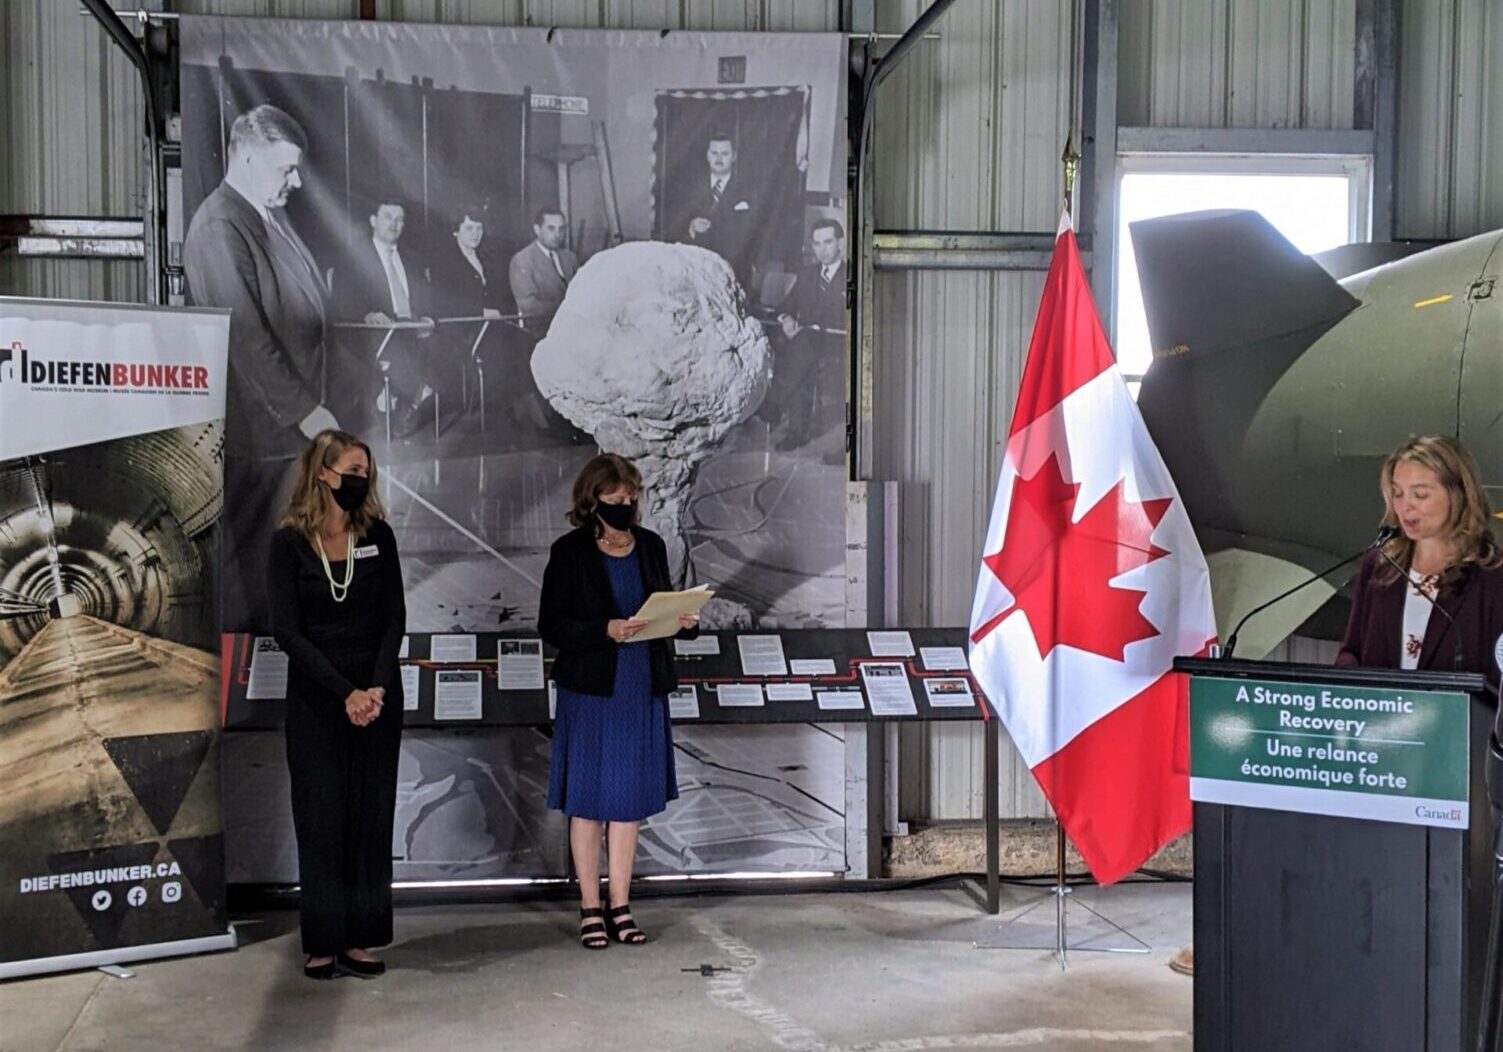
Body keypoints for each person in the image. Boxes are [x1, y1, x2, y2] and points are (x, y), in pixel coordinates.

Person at [183, 103, 337, 632]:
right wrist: (307, 411)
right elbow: (247, 339)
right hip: (258, 438)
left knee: (285, 573)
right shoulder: (220, 227)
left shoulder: (265, 216)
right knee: (255, 576)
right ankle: (247, 694)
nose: (295, 181)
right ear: (247, 159)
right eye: (285, 169)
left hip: (285, 438)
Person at [538, 454, 699, 949]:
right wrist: (603, 630)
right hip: (590, 690)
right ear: (592, 499)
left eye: (632, 496)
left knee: (627, 805)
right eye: (616, 497)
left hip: (639, 685)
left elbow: (662, 604)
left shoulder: (650, 545)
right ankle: (590, 908)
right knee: (588, 803)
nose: (626, 504)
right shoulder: (568, 552)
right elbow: (551, 625)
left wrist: (685, 621)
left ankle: (621, 906)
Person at [267, 429, 406, 980]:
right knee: (321, 820)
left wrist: (371, 689)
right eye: (351, 469)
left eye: (365, 470)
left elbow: (393, 617)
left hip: (375, 698)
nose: (361, 479)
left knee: (370, 819)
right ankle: (323, 939)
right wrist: (342, 692)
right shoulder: (288, 544)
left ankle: (362, 938)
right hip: (318, 701)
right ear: (323, 474)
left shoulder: (380, 535)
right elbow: (287, 631)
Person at [1336, 435, 1503, 686]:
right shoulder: (1380, 565)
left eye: (1420, 495)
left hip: (1459, 723)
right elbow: (1352, 653)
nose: (1405, 506)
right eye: (1397, 494)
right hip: (1381, 721)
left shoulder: (1493, 575)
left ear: (1457, 495)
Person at [332, 197, 440, 439]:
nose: (394, 224)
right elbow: (341, 300)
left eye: (399, 219)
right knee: (400, 349)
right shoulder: (353, 256)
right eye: (388, 217)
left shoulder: (411, 258)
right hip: (374, 332)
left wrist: (426, 317)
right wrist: (367, 314)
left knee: (442, 345)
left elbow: (427, 299)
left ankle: (399, 401)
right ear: (373, 221)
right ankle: (413, 398)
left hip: (412, 330)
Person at [770, 218, 847, 450]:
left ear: (840, 243)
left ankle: (775, 404)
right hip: (805, 344)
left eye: (828, 242)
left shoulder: (852, 274)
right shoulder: (807, 274)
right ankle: (795, 431)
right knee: (803, 352)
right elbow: (784, 306)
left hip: (838, 340)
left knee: (802, 348)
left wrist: (813, 329)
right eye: (817, 244)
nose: (822, 250)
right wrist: (786, 319)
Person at [676, 133, 761, 290]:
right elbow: (675, 225)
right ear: (707, 155)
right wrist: (692, 225)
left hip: (734, 270)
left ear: (734, 156)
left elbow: (756, 232)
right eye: (714, 153)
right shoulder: (691, 188)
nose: (719, 158)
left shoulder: (748, 189)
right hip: (698, 269)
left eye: (725, 153)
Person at [508, 207, 577, 335]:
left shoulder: (570, 258)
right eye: (551, 228)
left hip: (573, 328)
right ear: (537, 230)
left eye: (561, 229)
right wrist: (569, 307)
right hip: (542, 333)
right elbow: (529, 307)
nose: (557, 235)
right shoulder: (522, 260)